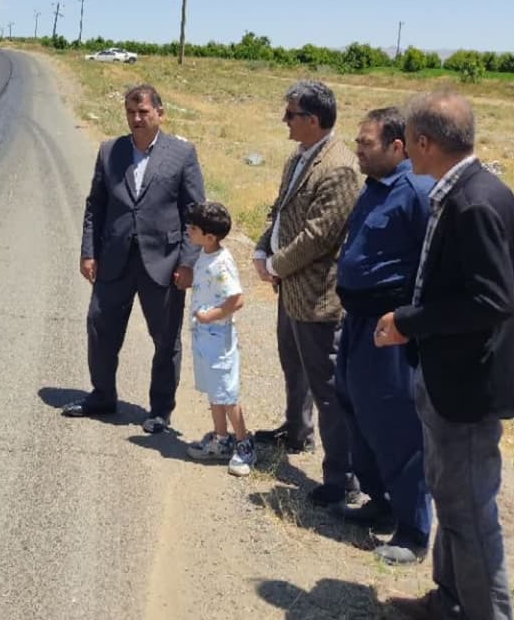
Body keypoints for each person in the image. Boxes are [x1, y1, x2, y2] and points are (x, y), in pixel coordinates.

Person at [377, 92, 514, 620]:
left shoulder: (475, 200)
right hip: (449, 376)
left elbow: (490, 300)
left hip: (471, 385)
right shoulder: (457, 191)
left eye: (409, 140)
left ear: (426, 142)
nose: (405, 150)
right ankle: (449, 599)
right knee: (452, 500)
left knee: (472, 514)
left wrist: (408, 323)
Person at [68, 83, 206, 434]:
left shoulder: (181, 154)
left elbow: (194, 213)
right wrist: (89, 252)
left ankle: (160, 410)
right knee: (99, 328)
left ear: (160, 113)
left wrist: (188, 262)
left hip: (163, 262)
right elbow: (94, 206)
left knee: (165, 339)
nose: (136, 118)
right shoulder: (110, 150)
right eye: (131, 111)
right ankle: (102, 396)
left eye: (143, 112)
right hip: (114, 259)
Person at [252, 80, 359, 505]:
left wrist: (274, 264)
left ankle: (343, 478)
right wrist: (263, 246)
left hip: (317, 297)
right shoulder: (300, 156)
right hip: (290, 289)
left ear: (313, 120)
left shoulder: (340, 167)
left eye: (291, 114)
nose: (284, 120)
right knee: (292, 365)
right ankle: (296, 432)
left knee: (327, 387)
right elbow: (281, 212)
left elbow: (319, 237)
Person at [334, 107, 434, 565]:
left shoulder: (417, 191)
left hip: (388, 327)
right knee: (354, 406)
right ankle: (379, 500)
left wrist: (407, 320)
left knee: (395, 424)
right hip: (356, 320)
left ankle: (413, 530)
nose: (357, 149)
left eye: (365, 143)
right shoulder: (374, 188)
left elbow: (432, 264)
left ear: (398, 147)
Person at [183, 202, 256, 476]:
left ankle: (243, 442)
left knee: (227, 392)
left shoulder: (222, 262)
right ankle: (221, 438)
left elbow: (236, 299)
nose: (188, 231)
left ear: (210, 236)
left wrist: (210, 316)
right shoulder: (205, 253)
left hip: (218, 336)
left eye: (193, 228)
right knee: (215, 390)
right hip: (204, 336)